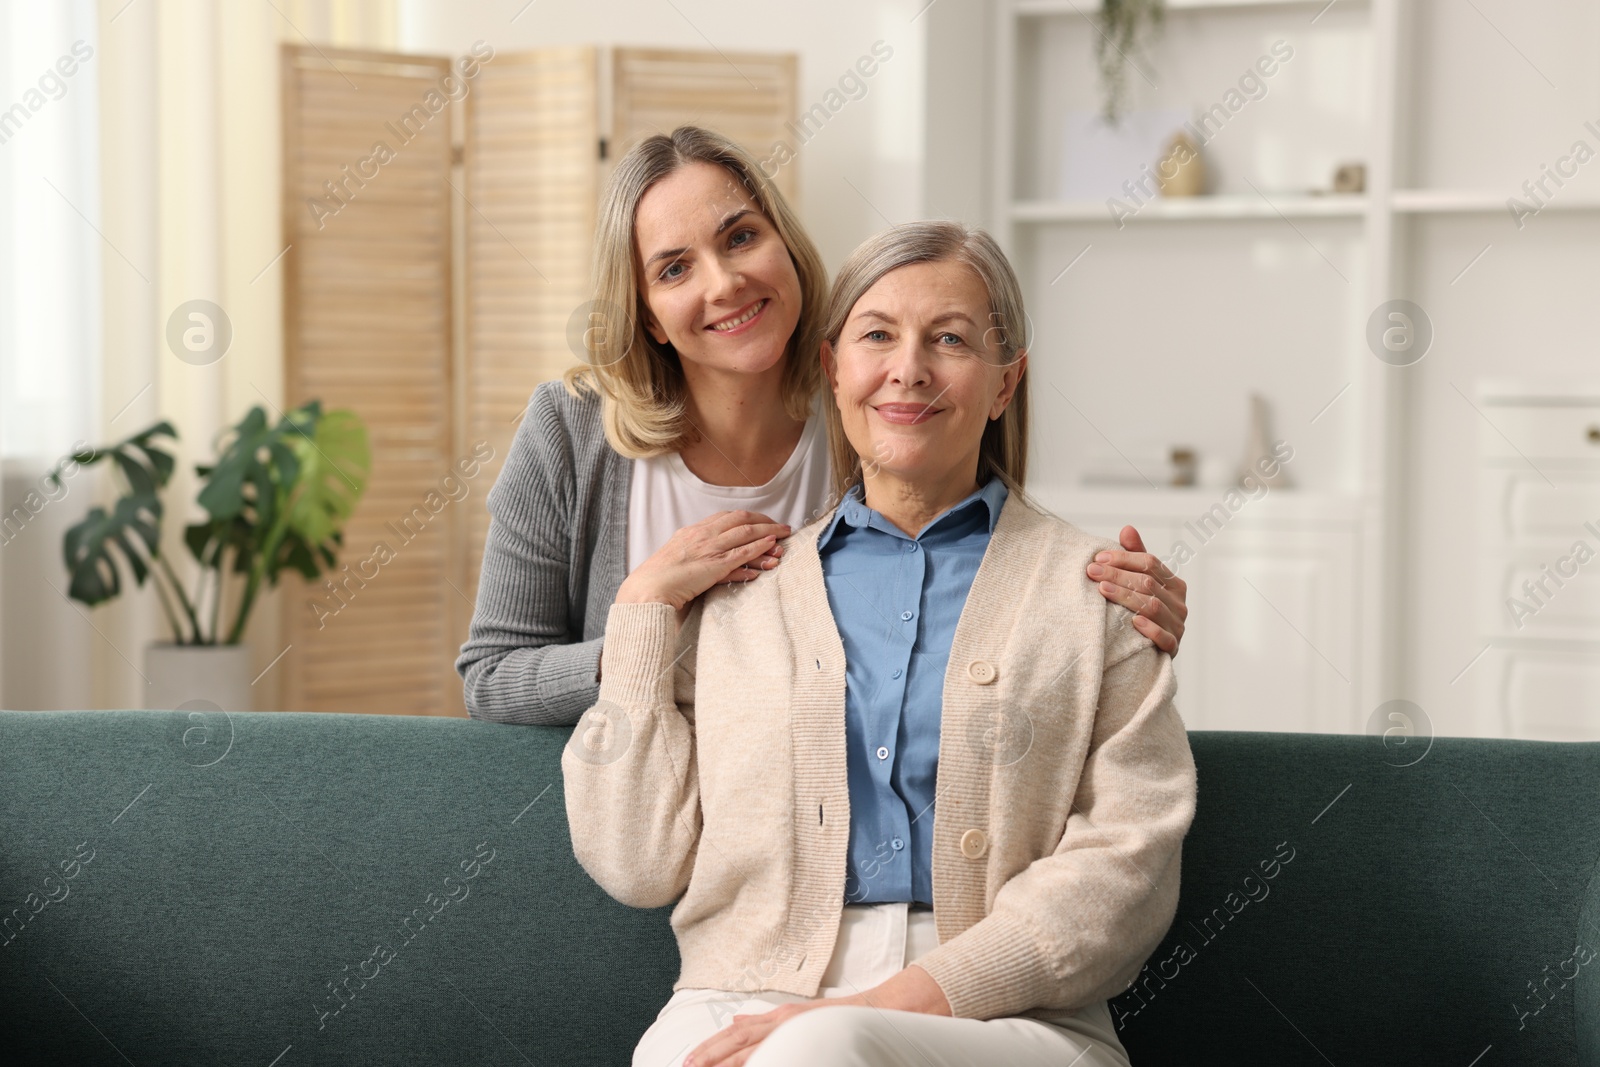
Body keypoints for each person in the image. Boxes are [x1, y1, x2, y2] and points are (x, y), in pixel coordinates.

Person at [563, 220, 1199, 1067]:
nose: (909, 368)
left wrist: (889, 1000)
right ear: (833, 370)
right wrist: (642, 611)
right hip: (737, 994)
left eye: (950, 339)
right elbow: (636, 861)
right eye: (876, 336)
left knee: (818, 1050)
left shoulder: (1100, 595)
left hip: (1015, 1015)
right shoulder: (736, 598)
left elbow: (1129, 869)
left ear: (1006, 383)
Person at [455, 126, 1190, 727]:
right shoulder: (570, 432)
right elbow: (490, 678)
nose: (724, 282)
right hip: (628, 830)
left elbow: (972, 607)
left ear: (785, 243)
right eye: (675, 269)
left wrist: (1109, 622)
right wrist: (643, 614)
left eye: (740, 237)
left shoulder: (872, 412)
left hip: (816, 839)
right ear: (648, 313)